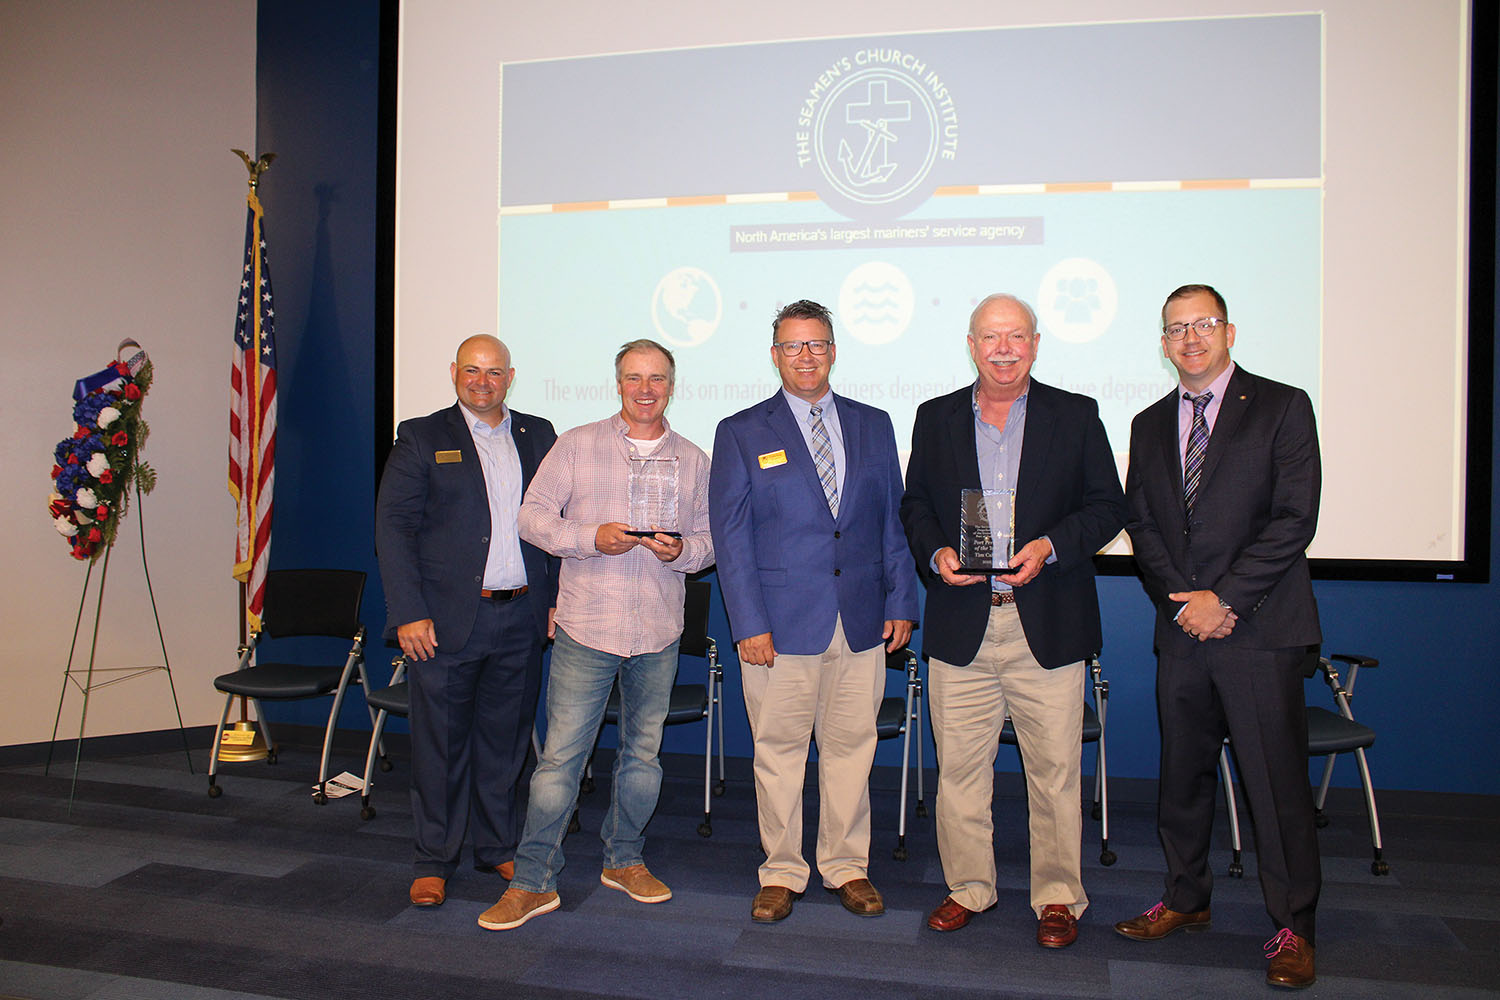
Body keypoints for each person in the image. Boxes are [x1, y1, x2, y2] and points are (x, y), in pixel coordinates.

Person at [899, 293, 1125, 947]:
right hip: (962, 621)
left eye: (1017, 336)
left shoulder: (1075, 415)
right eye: (991, 336)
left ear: (1035, 343)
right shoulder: (935, 417)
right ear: (971, 344)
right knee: (961, 771)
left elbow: (1107, 506)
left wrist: (1051, 546)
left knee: (1053, 770)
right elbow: (915, 508)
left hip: (1045, 620)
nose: (1004, 348)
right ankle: (969, 887)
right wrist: (937, 552)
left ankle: (1057, 897)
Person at [1118, 284, 1322, 990]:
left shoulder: (1282, 405)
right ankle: (1185, 899)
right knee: (1182, 780)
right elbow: (1142, 524)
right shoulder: (1147, 424)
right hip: (1182, 632)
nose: (1191, 338)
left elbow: (1295, 518)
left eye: (1203, 324)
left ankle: (1294, 927)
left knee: (1275, 786)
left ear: (1229, 331)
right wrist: (1185, 603)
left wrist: (1224, 598)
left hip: (1259, 629)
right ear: (1164, 340)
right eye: (1177, 328)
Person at [478, 338, 714, 931]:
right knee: (560, 762)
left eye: (656, 379)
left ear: (671, 385)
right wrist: (589, 538)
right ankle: (533, 881)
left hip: (657, 632)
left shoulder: (693, 459)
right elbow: (531, 519)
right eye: (634, 378)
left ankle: (624, 858)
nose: (645, 390)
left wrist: (684, 551)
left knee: (643, 757)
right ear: (618, 383)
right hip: (587, 627)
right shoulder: (577, 445)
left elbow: (712, 543)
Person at [709, 299, 919, 924]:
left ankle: (846, 865)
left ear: (833, 349)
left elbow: (891, 521)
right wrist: (747, 623)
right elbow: (731, 536)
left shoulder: (873, 424)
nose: (806, 356)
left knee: (852, 747)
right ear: (774, 355)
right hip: (777, 625)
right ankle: (780, 870)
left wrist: (902, 599)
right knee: (778, 750)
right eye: (793, 346)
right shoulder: (742, 430)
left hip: (860, 619)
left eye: (817, 344)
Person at [375, 334, 558, 908]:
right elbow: (393, 529)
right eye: (472, 370)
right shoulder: (423, 436)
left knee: (505, 746)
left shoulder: (540, 435)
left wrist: (554, 597)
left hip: (521, 614)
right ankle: (434, 859)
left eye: (495, 372)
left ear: (511, 376)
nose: (483, 381)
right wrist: (409, 611)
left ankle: (497, 844)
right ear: (454, 371)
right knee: (441, 746)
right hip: (446, 622)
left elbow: (557, 521)